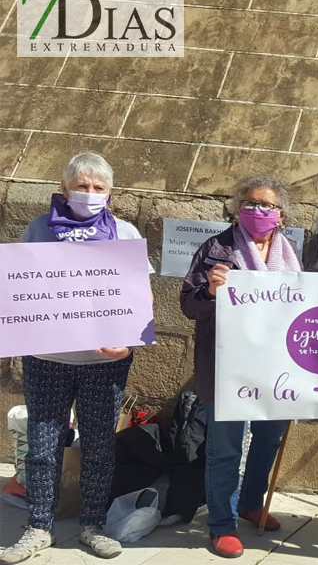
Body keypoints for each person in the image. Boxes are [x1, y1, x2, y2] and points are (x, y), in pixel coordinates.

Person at [2, 153, 153, 564]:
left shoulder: (123, 232)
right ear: (64, 187)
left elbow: (139, 297)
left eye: (98, 188)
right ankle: (38, 527)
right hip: (47, 358)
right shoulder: (39, 228)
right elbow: (20, 286)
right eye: (81, 186)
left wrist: (129, 343)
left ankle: (92, 525)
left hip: (105, 364)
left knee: (101, 446)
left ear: (110, 193)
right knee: (42, 445)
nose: (89, 194)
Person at [180, 175, 301, 558]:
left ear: (280, 215)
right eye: (250, 203)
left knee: (268, 439)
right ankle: (222, 524)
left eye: (267, 205)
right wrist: (210, 291)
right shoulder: (216, 248)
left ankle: (251, 502)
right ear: (238, 209)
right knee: (226, 448)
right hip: (226, 367)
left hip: (276, 367)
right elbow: (188, 306)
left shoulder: (290, 255)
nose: (258, 211)